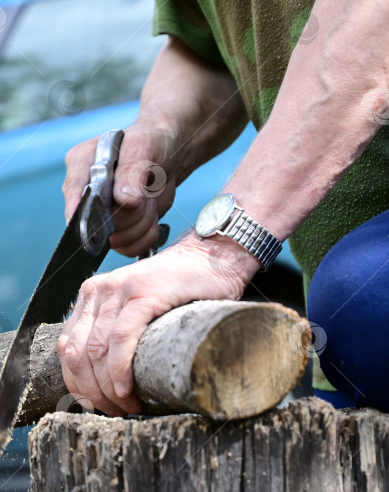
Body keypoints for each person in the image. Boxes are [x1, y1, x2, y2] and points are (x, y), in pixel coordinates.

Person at [58, 0, 389, 416]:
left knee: (365, 300)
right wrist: (161, 132)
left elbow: (369, 24)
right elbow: (208, 52)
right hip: (345, 357)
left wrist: (218, 249)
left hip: (362, 317)